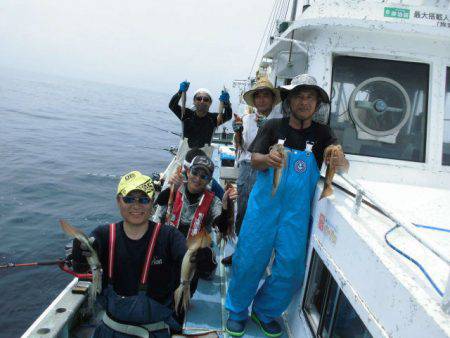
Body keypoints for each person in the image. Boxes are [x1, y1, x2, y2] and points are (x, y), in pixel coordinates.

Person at [225, 74, 349, 337]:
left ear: (317, 104)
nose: (304, 102)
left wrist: (336, 154)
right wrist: (267, 157)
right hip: (263, 208)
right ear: (289, 102)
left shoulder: (323, 133)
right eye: (299, 97)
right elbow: (255, 158)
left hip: (296, 212)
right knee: (248, 260)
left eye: (310, 97)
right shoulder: (272, 126)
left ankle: (264, 311)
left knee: (292, 268)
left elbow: (338, 157)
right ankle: (237, 311)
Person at [72, 171, 217, 337]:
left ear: (152, 202)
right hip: (110, 331)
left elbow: (198, 263)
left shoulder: (169, 236)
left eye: (143, 199)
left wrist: (204, 259)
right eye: (128, 199)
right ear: (118, 201)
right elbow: (83, 270)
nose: (136, 205)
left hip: (156, 331)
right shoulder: (104, 235)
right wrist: (80, 255)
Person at [221, 77, 282, 266]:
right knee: (243, 210)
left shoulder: (280, 122)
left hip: (267, 170)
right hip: (247, 169)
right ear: (254, 101)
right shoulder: (246, 119)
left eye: (266, 95)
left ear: (272, 99)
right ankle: (240, 252)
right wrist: (237, 132)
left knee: (263, 212)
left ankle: (258, 256)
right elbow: (240, 147)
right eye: (258, 96)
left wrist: (268, 129)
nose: (262, 99)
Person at [155, 155, 236, 239]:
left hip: (193, 248)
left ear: (209, 180)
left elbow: (222, 227)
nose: (197, 178)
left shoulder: (213, 201)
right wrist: (172, 189)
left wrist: (225, 207)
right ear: (188, 172)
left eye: (203, 176)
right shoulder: (177, 187)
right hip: (169, 242)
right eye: (195, 172)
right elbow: (160, 201)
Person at [169, 81, 232, 150]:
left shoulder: (214, 119)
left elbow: (228, 115)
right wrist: (180, 92)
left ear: (210, 103)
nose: (202, 101)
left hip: (204, 155)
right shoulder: (186, 114)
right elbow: (172, 105)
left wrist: (226, 103)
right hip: (185, 153)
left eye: (206, 99)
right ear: (194, 101)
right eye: (199, 99)